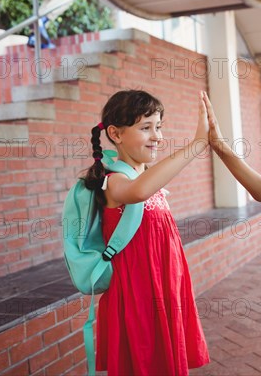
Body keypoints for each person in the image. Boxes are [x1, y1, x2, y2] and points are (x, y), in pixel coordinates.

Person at [83, 90, 211, 375]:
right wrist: (198, 144)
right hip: (137, 297)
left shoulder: (145, 177)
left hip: (164, 289)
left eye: (159, 127)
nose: (158, 137)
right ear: (115, 134)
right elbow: (138, 192)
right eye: (146, 128)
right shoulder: (115, 181)